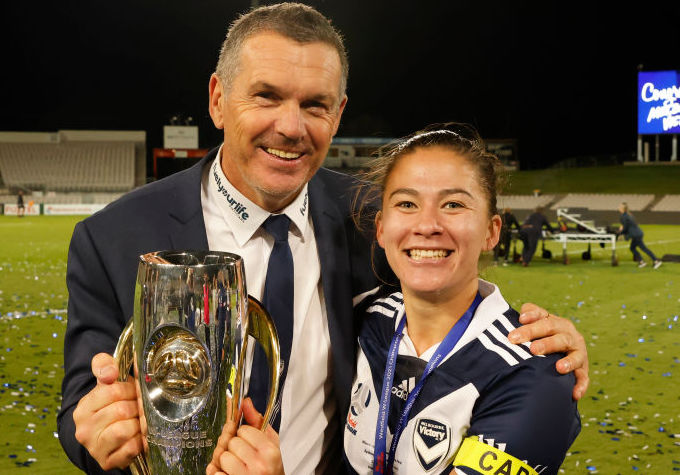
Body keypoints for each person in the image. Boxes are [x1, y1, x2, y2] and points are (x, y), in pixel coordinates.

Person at [57, 4, 589, 474]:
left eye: (315, 105)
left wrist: (544, 348)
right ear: (218, 99)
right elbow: (81, 409)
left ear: (337, 114)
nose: (291, 127)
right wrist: (97, 435)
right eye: (266, 96)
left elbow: (443, 287)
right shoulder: (113, 238)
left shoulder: (371, 219)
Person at [343, 124, 580, 474]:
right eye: (407, 203)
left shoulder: (534, 374)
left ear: (491, 231)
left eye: (453, 204)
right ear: (380, 229)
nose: (427, 224)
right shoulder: (364, 318)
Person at [617, 202, 662, 269]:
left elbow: (625, 228)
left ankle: (656, 261)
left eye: (619, 207)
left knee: (643, 248)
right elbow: (629, 226)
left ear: (622, 209)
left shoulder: (623, 217)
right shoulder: (630, 215)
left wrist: (620, 233)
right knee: (633, 248)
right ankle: (642, 262)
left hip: (635, 235)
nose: (618, 208)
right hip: (638, 233)